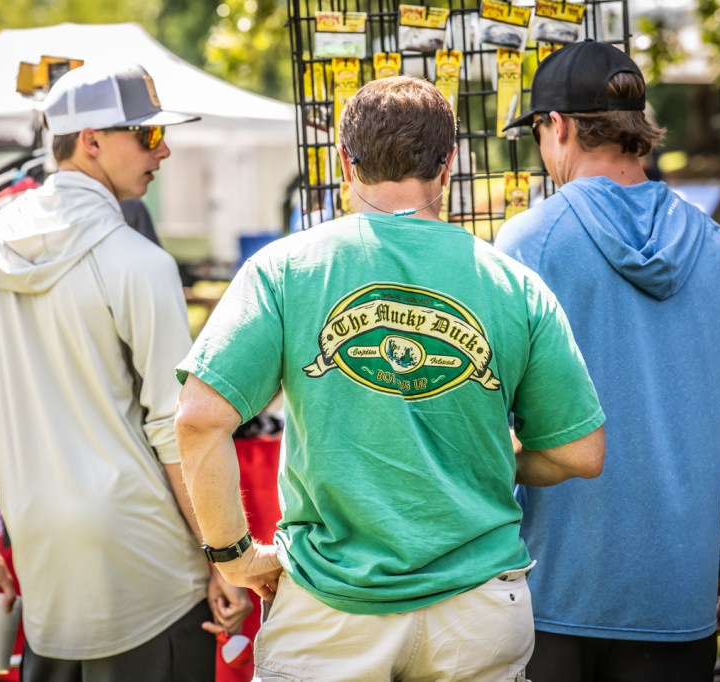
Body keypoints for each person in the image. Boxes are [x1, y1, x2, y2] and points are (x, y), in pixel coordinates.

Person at [173, 75, 607, 681]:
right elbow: (580, 452)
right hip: (478, 608)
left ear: (344, 162)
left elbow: (198, 419)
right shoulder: (515, 286)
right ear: (449, 164)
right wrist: (491, 458)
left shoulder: (285, 269)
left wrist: (234, 557)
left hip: (330, 608)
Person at [0, 63, 250, 681]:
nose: (164, 150)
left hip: (44, 569)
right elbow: (179, 428)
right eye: (147, 134)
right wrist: (225, 557)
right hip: (152, 574)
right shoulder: (140, 262)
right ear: (90, 140)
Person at [496, 39, 720, 681]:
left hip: (548, 590)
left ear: (558, 127)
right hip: (678, 595)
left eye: (537, 134)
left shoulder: (528, 243)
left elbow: (487, 420)